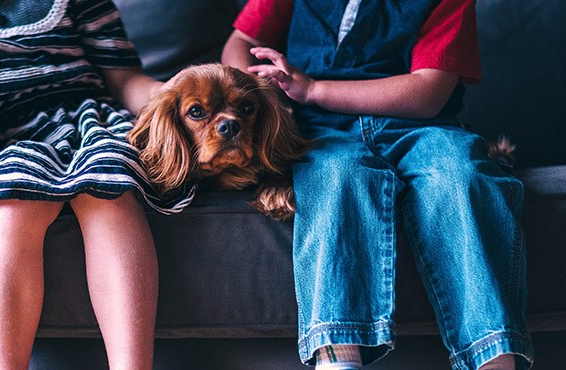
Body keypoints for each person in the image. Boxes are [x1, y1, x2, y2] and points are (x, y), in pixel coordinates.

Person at [222, 0, 533, 369]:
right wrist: (260, 99)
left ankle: (493, 357)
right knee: (336, 178)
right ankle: (339, 359)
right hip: (322, 131)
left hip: (419, 126)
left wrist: (314, 89)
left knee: (462, 177)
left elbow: (428, 92)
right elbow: (239, 42)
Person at [0, 0, 187, 369]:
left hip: (89, 122)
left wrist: (173, 94)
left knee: (108, 191)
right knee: (10, 206)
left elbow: (124, 79)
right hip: (8, 134)